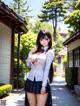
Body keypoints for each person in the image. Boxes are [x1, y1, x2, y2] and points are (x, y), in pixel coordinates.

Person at [25, 29, 54, 106]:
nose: (43, 41)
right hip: (30, 81)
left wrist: (43, 86)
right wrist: (30, 54)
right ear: (39, 40)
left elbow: (46, 70)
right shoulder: (36, 50)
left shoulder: (49, 52)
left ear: (50, 39)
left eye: (46, 39)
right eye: (41, 39)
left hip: (41, 82)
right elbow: (28, 65)